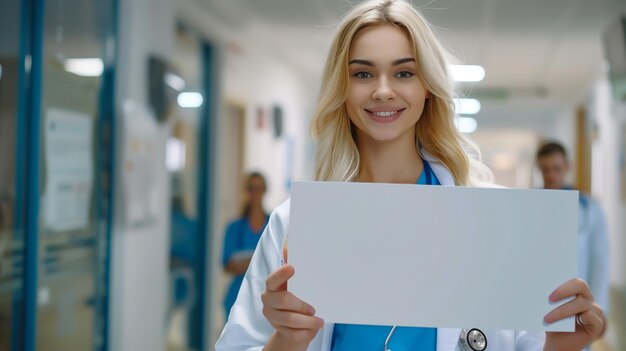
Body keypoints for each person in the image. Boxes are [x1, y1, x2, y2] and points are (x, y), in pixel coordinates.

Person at [216, 1, 606, 350]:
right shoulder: (296, 224)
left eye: (404, 73)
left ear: (428, 89)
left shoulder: (493, 222)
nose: (383, 91)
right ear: (341, 88)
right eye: (363, 74)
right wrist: (286, 340)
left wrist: (563, 348)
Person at [536, 141, 610, 313]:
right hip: (540, 298)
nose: (551, 175)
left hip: (577, 301)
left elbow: (600, 260)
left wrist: (597, 309)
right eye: (545, 169)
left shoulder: (588, 208)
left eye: (556, 168)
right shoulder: (533, 206)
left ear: (567, 167)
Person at [222, 172, 270, 319]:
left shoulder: (273, 225)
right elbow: (228, 265)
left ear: (264, 190)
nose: (255, 193)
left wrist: (245, 263)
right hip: (237, 297)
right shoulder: (234, 228)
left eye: (259, 188)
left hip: (265, 299)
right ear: (246, 191)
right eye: (251, 188)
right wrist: (259, 262)